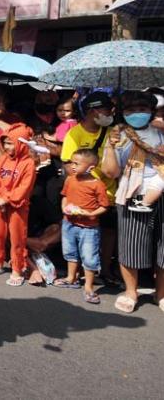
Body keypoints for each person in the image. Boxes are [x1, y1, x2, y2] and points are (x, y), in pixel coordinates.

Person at [101, 91, 164, 313]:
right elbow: (111, 172)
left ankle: (161, 293)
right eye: (130, 110)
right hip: (131, 193)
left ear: (151, 111)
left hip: (162, 190)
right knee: (131, 245)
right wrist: (110, 147)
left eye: (142, 109)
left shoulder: (160, 131)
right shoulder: (118, 135)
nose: (137, 113)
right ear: (123, 113)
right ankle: (130, 291)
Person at [61, 91, 120, 285]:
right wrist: (90, 179)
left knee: (108, 232)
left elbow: (116, 168)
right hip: (83, 196)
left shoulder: (113, 132)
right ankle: (76, 272)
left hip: (109, 194)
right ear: (93, 111)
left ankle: (105, 269)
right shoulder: (74, 134)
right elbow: (69, 166)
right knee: (80, 233)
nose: (111, 112)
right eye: (107, 109)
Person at [0, 123, 38, 286]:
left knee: (17, 238)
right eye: (5, 143)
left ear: (21, 143)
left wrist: (6, 199)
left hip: (17, 206)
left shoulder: (28, 163)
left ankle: (17, 269)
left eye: (11, 143)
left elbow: (25, 187)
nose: (7, 147)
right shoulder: (2, 159)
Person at [53, 149, 109, 304]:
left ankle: (89, 287)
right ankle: (71, 278)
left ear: (91, 167)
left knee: (89, 257)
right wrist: (64, 207)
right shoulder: (70, 179)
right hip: (69, 223)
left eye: (77, 164)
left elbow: (104, 206)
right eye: (72, 162)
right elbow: (65, 196)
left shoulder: (97, 185)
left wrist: (90, 214)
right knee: (70, 252)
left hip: (88, 228)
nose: (72, 166)